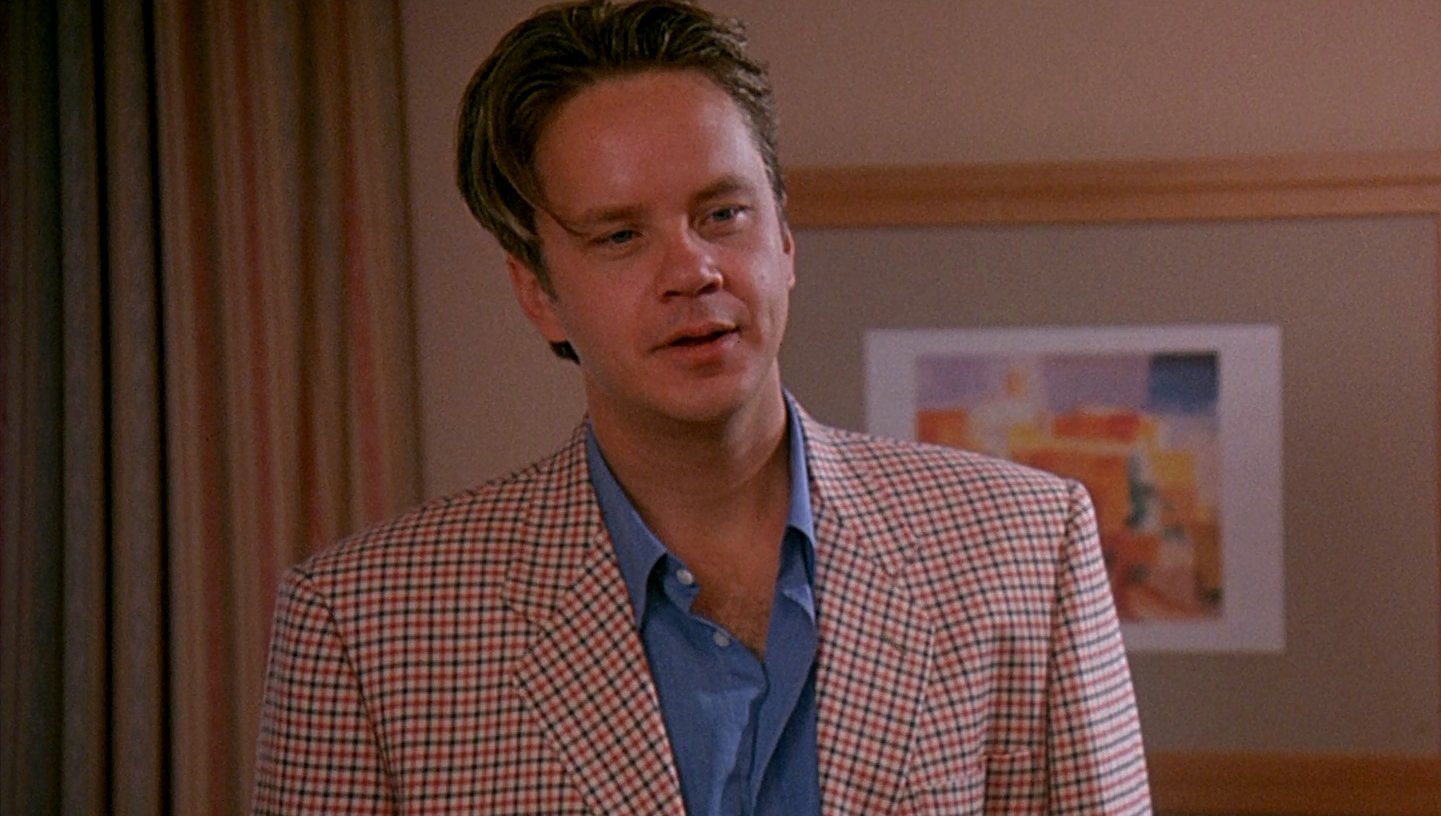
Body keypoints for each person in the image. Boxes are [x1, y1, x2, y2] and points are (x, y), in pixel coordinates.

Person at [251, 1, 1150, 813]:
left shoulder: (1028, 548)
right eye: (620, 235)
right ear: (538, 292)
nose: (692, 270)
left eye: (723, 215)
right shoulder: (364, 626)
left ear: (785, 239)